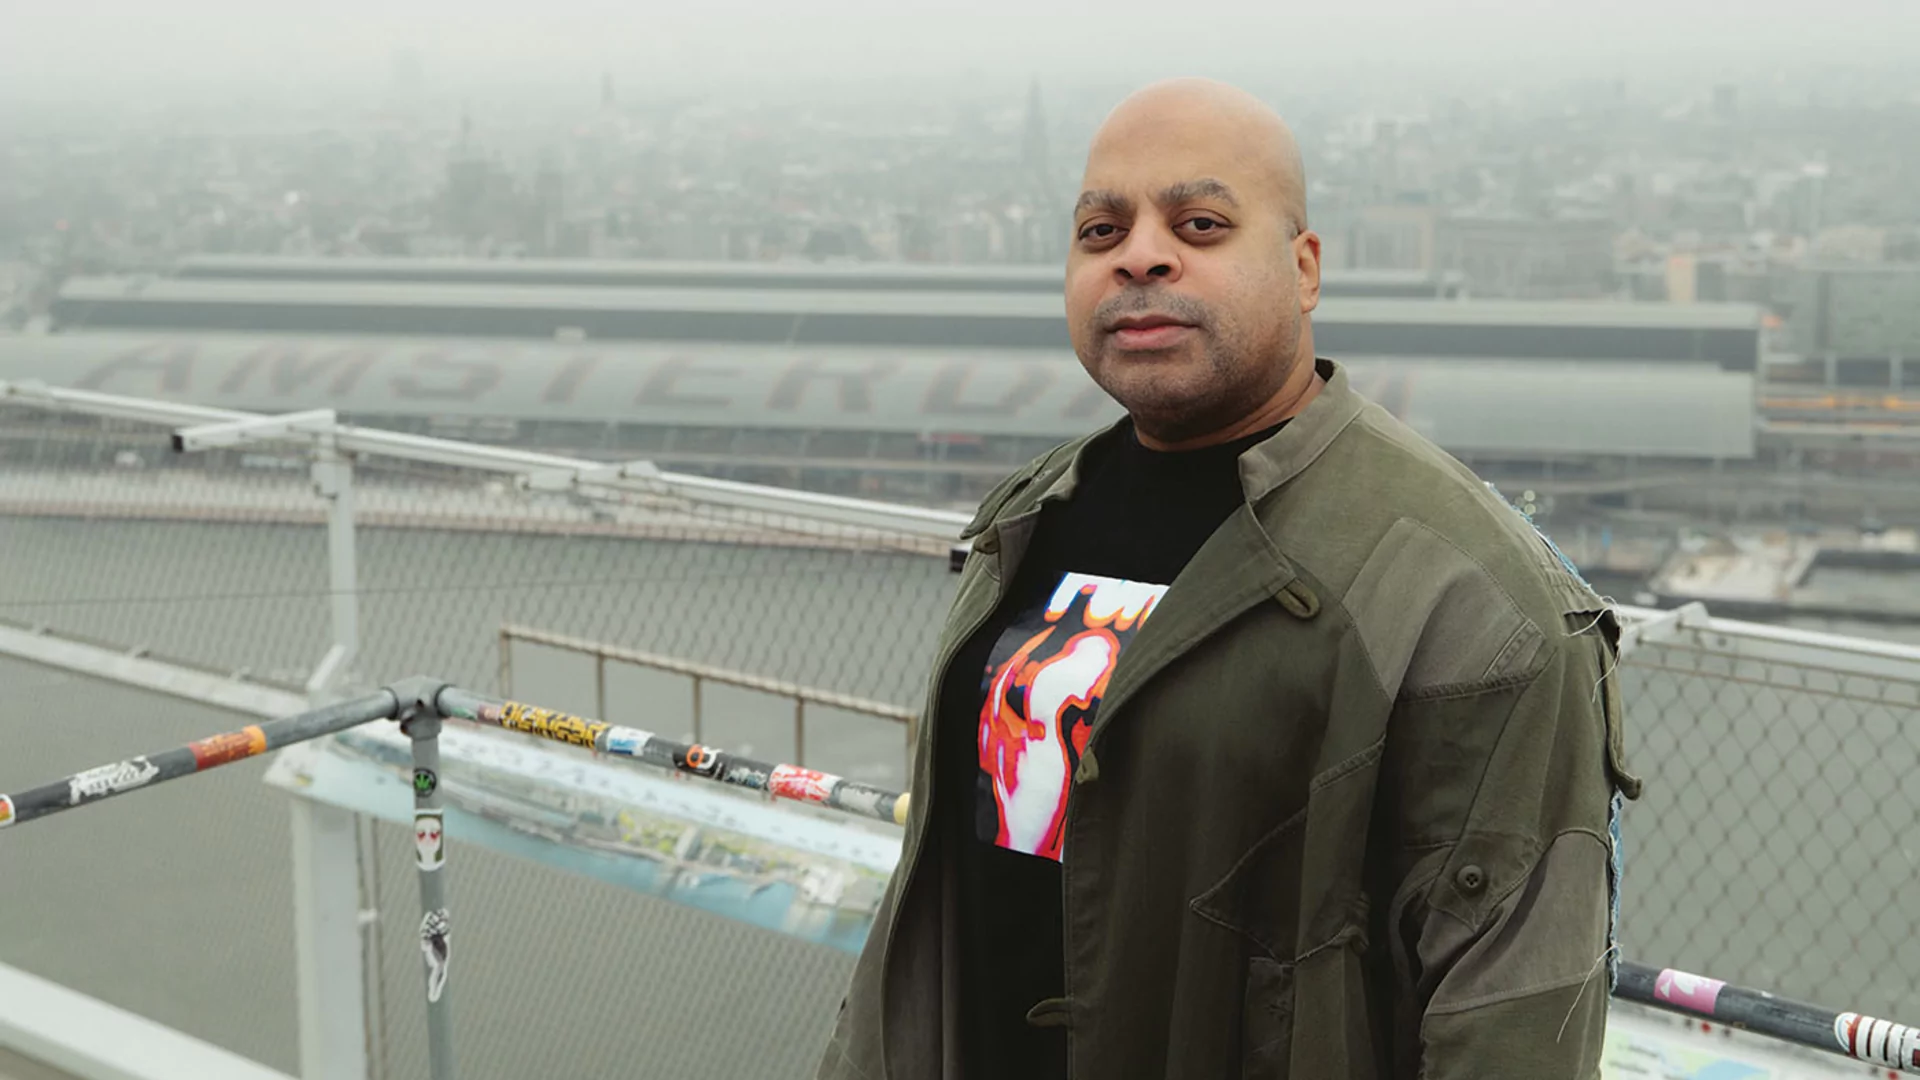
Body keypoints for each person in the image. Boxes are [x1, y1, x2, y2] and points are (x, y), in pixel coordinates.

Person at [815, 77, 1641, 1080]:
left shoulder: (1472, 599)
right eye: (1100, 230)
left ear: (1304, 269)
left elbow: (1511, 1021)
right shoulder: (1034, 516)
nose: (1140, 254)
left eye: (1200, 224)